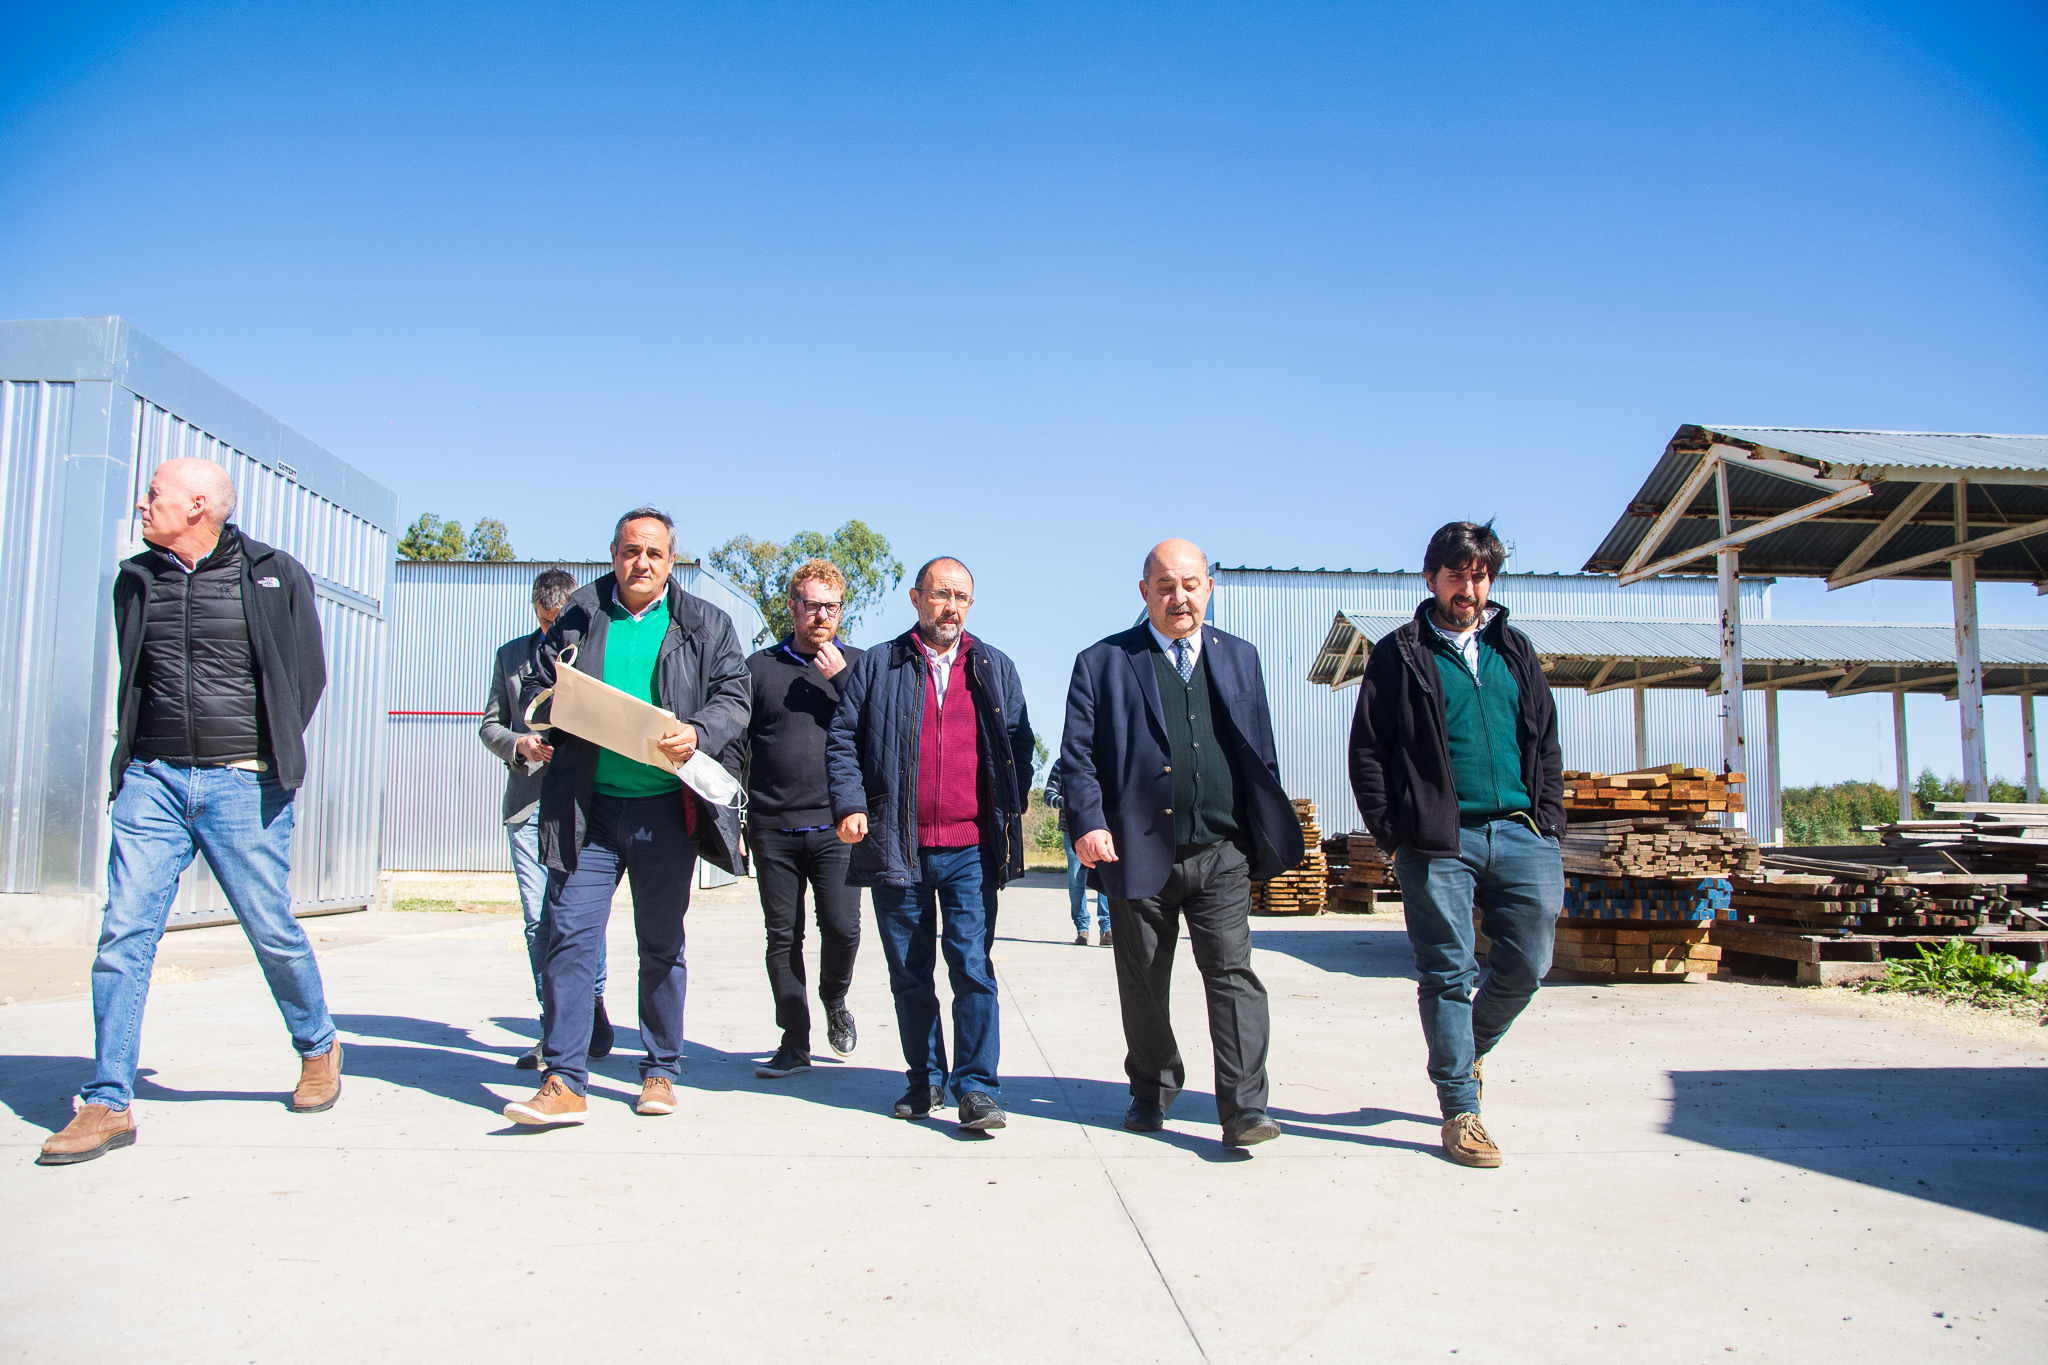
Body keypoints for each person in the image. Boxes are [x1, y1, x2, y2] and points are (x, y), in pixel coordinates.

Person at [40, 458, 340, 1166]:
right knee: (124, 931)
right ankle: (108, 1097)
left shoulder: (272, 572)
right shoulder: (137, 578)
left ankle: (318, 1044)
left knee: (271, 929)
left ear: (198, 504)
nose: (143, 505)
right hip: (154, 780)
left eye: (155, 494)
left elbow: (307, 672)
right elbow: (135, 670)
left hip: (243, 783)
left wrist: (266, 754)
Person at [503, 507, 750, 1126]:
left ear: (671, 561)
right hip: (587, 811)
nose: (641, 563)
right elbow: (536, 685)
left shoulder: (704, 623)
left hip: (665, 810)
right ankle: (564, 1079)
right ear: (612, 554)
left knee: (661, 944)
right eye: (630, 551)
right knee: (568, 938)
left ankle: (661, 1070)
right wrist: (548, 709)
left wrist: (698, 731)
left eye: (654, 553)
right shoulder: (577, 618)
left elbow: (734, 697)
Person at [1058, 538, 1302, 1149]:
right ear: (1145, 593)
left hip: (1221, 851)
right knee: (1143, 980)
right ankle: (1152, 1086)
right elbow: (1077, 758)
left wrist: (1255, 834)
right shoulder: (1104, 662)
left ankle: (1244, 1108)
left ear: (1209, 587)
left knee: (1233, 976)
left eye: (1190, 584)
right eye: (1165, 586)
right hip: (1135, 850)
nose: (1179, 597)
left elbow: (1259, 749)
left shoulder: (1240, 657)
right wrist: (1088, 822)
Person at [1347, 520, 1565, 1169]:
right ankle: (1461, 1109)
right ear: (1431, 578)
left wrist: (1548, 820)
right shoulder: (1400, 653)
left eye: (1479, 574)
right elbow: (1367, 751)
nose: (1468, 587)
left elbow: (1545, 740)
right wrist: (1393, 831)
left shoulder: (1514, 650)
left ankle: (1461, 1050)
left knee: (1530, 959)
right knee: (1448, 969)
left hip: (1522, 830)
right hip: (1440, 840)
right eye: (1456, 574)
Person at [826, 557, 1034, 1133]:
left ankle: (977, 1088)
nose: (951, 606)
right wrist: (849, 804)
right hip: (899, 846)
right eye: (940, 594)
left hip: (971, 849)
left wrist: (1009, 802)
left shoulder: (994, 667)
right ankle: (924, 1081)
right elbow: (841, 740)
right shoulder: (877, 665)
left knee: (971, 965)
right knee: (910, 972)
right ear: (916, 599)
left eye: (961, 596)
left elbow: (1019, 740)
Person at [479, 568, 611, 1070]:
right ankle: (555, 1025)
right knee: (539, 922)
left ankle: (588, 1002)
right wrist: (519, 744)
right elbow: (490, 725)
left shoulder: (596, 648)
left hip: (583, 802)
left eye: (557, 620)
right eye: (542, 620)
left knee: (577, 919)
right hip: (529, 806)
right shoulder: (511, 656)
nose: (549, 629)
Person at [743, 558, 865, 1081]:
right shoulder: (757, 670)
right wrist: (736, 823)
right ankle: (794, 1040)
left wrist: (843, 680)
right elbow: (738, 747)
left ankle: (834, 998)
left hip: (838, 828)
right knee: (782, 937)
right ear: (792, 607)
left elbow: (881, 732)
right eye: (812, 605)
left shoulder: (861, 667)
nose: (821, 616)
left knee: (843, 929)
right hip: (773, 828)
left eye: (831, 607)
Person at [1042, 758, 1110, 947]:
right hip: (1071, 832)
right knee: (1076, 880)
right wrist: (1071, 801)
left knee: (1104, 880)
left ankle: (1107, 929)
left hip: (1100, 830)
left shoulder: (1101, 760)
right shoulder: (1061, 764)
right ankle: (1082, 929)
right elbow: (1048, 796)